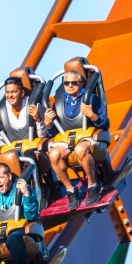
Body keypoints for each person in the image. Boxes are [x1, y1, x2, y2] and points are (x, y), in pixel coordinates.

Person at [33, 70, 109, 209]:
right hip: (66, 140)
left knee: (80, 150)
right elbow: (52, 132)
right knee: (54, 154)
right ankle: (70, 190)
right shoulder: (59, 103)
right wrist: (48, 123)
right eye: (66, 83)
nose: (70, 86)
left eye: (74, 83)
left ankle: (93, 185)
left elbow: (105, 123)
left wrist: (92, 115)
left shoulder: (91, 99)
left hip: (87, 137)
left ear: (81, 84)